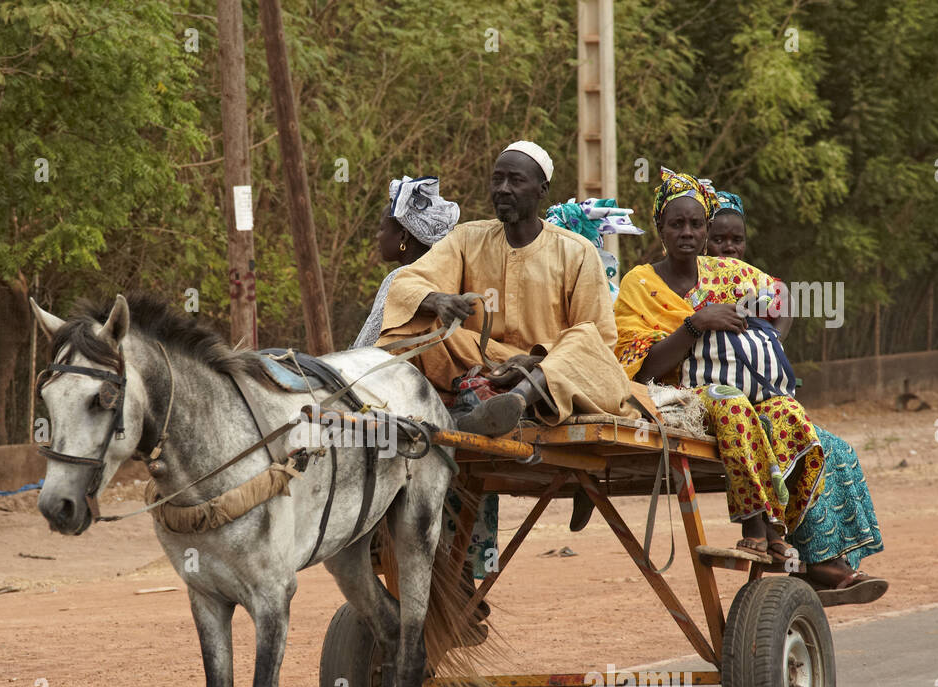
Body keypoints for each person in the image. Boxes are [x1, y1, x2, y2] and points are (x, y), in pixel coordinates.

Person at [614, 167, 824, 560]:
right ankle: (754, 518)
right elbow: (641, 372)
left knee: (787, 410)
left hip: (739, 385)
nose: (687, 233)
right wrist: (695, 324)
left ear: (706, 230)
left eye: (696, 224)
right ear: (660, 227)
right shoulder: (638, 284)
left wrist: (769, 339)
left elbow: (782, 297)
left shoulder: (726, 273)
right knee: (729, 401)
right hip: (676, 398)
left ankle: (779, 524)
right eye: (676, 224)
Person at [378, 141, 637, 437]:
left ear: (542, 190)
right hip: (480, 363)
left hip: (549, 372)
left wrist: (538, 361)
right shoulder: (466, 239)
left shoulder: (576, 252)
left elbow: (599, 342)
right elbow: (407, 282)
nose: (502, 188)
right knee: (415, 324)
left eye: (515, 180)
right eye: (497, 179)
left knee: (584, 338)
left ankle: (515, 401)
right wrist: (438, 300)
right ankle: (392, 399)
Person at [704, 187, 887, 602]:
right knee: (788, 435)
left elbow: (783, 299)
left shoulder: (750, 277)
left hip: (758, 393)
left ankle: (823, 560)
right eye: (717, 238)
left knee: (834, 448)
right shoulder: (690, 280)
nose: (728, 248)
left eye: (736, 239)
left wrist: (773, 340)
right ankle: (820, 565)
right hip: (719, 397)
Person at [352, 176, 460, 348]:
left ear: (403, 235)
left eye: (381, 228)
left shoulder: (400, 277)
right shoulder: (447, 276)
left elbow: (366, 345)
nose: (377, 236)